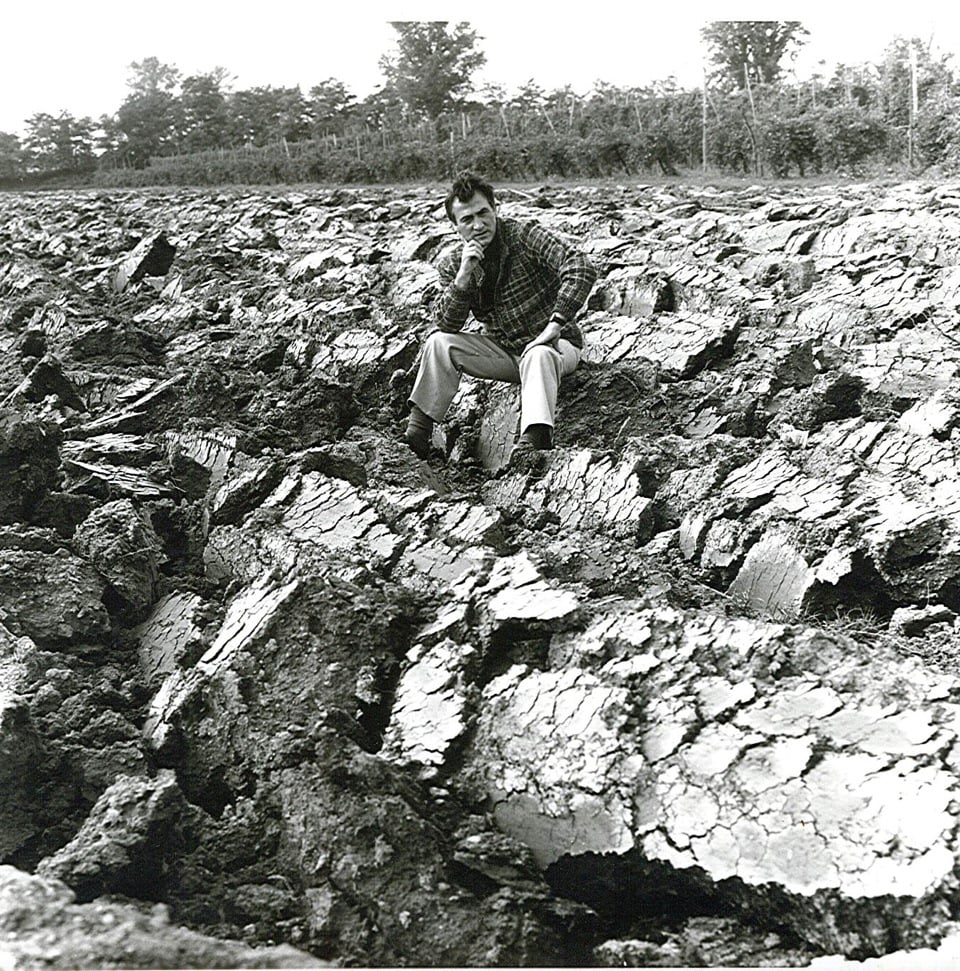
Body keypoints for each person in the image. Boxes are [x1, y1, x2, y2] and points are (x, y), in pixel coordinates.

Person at [404, 171, 597, 460]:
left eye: (483, 213)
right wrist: (464, 277)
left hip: (555, 348)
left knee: (539, 354)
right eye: (467, 219)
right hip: (505, 352)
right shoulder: (454, 264)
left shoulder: (524, 236)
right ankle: (418, 433)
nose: (478, 225)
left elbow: (580, 266)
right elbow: (447, 324)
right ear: (455, 226)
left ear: (496, 209)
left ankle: (535, 441)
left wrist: (554, 325)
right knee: (438, 342)